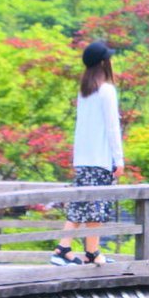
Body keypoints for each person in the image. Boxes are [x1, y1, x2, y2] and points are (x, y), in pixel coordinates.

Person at [52, 40, 124, 265]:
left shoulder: (85, 92)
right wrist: (118, 159)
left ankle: (92, 252)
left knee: (87, 204)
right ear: (104, 62)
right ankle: (63, 248)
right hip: (100, 158)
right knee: (94, 206)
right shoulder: (106, 90)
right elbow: (113, 127)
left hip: (83, 158)